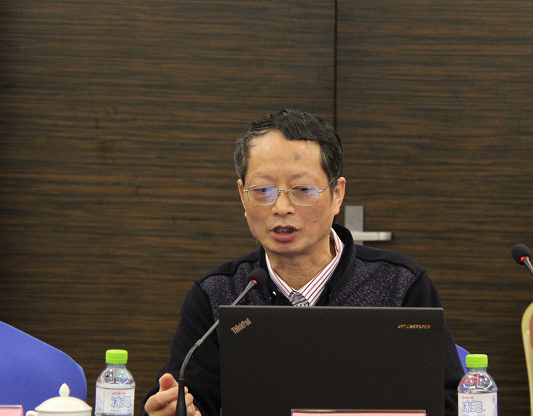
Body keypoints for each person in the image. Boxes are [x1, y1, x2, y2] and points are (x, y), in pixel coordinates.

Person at [141, 109, 463, 416]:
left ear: (337, 194)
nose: (281, 207)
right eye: (263, 190)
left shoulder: (400, 285)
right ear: (242, 196)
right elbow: (189, 397)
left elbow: (448, 405)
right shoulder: (219, 295)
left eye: (303, 190)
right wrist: (172, 408)